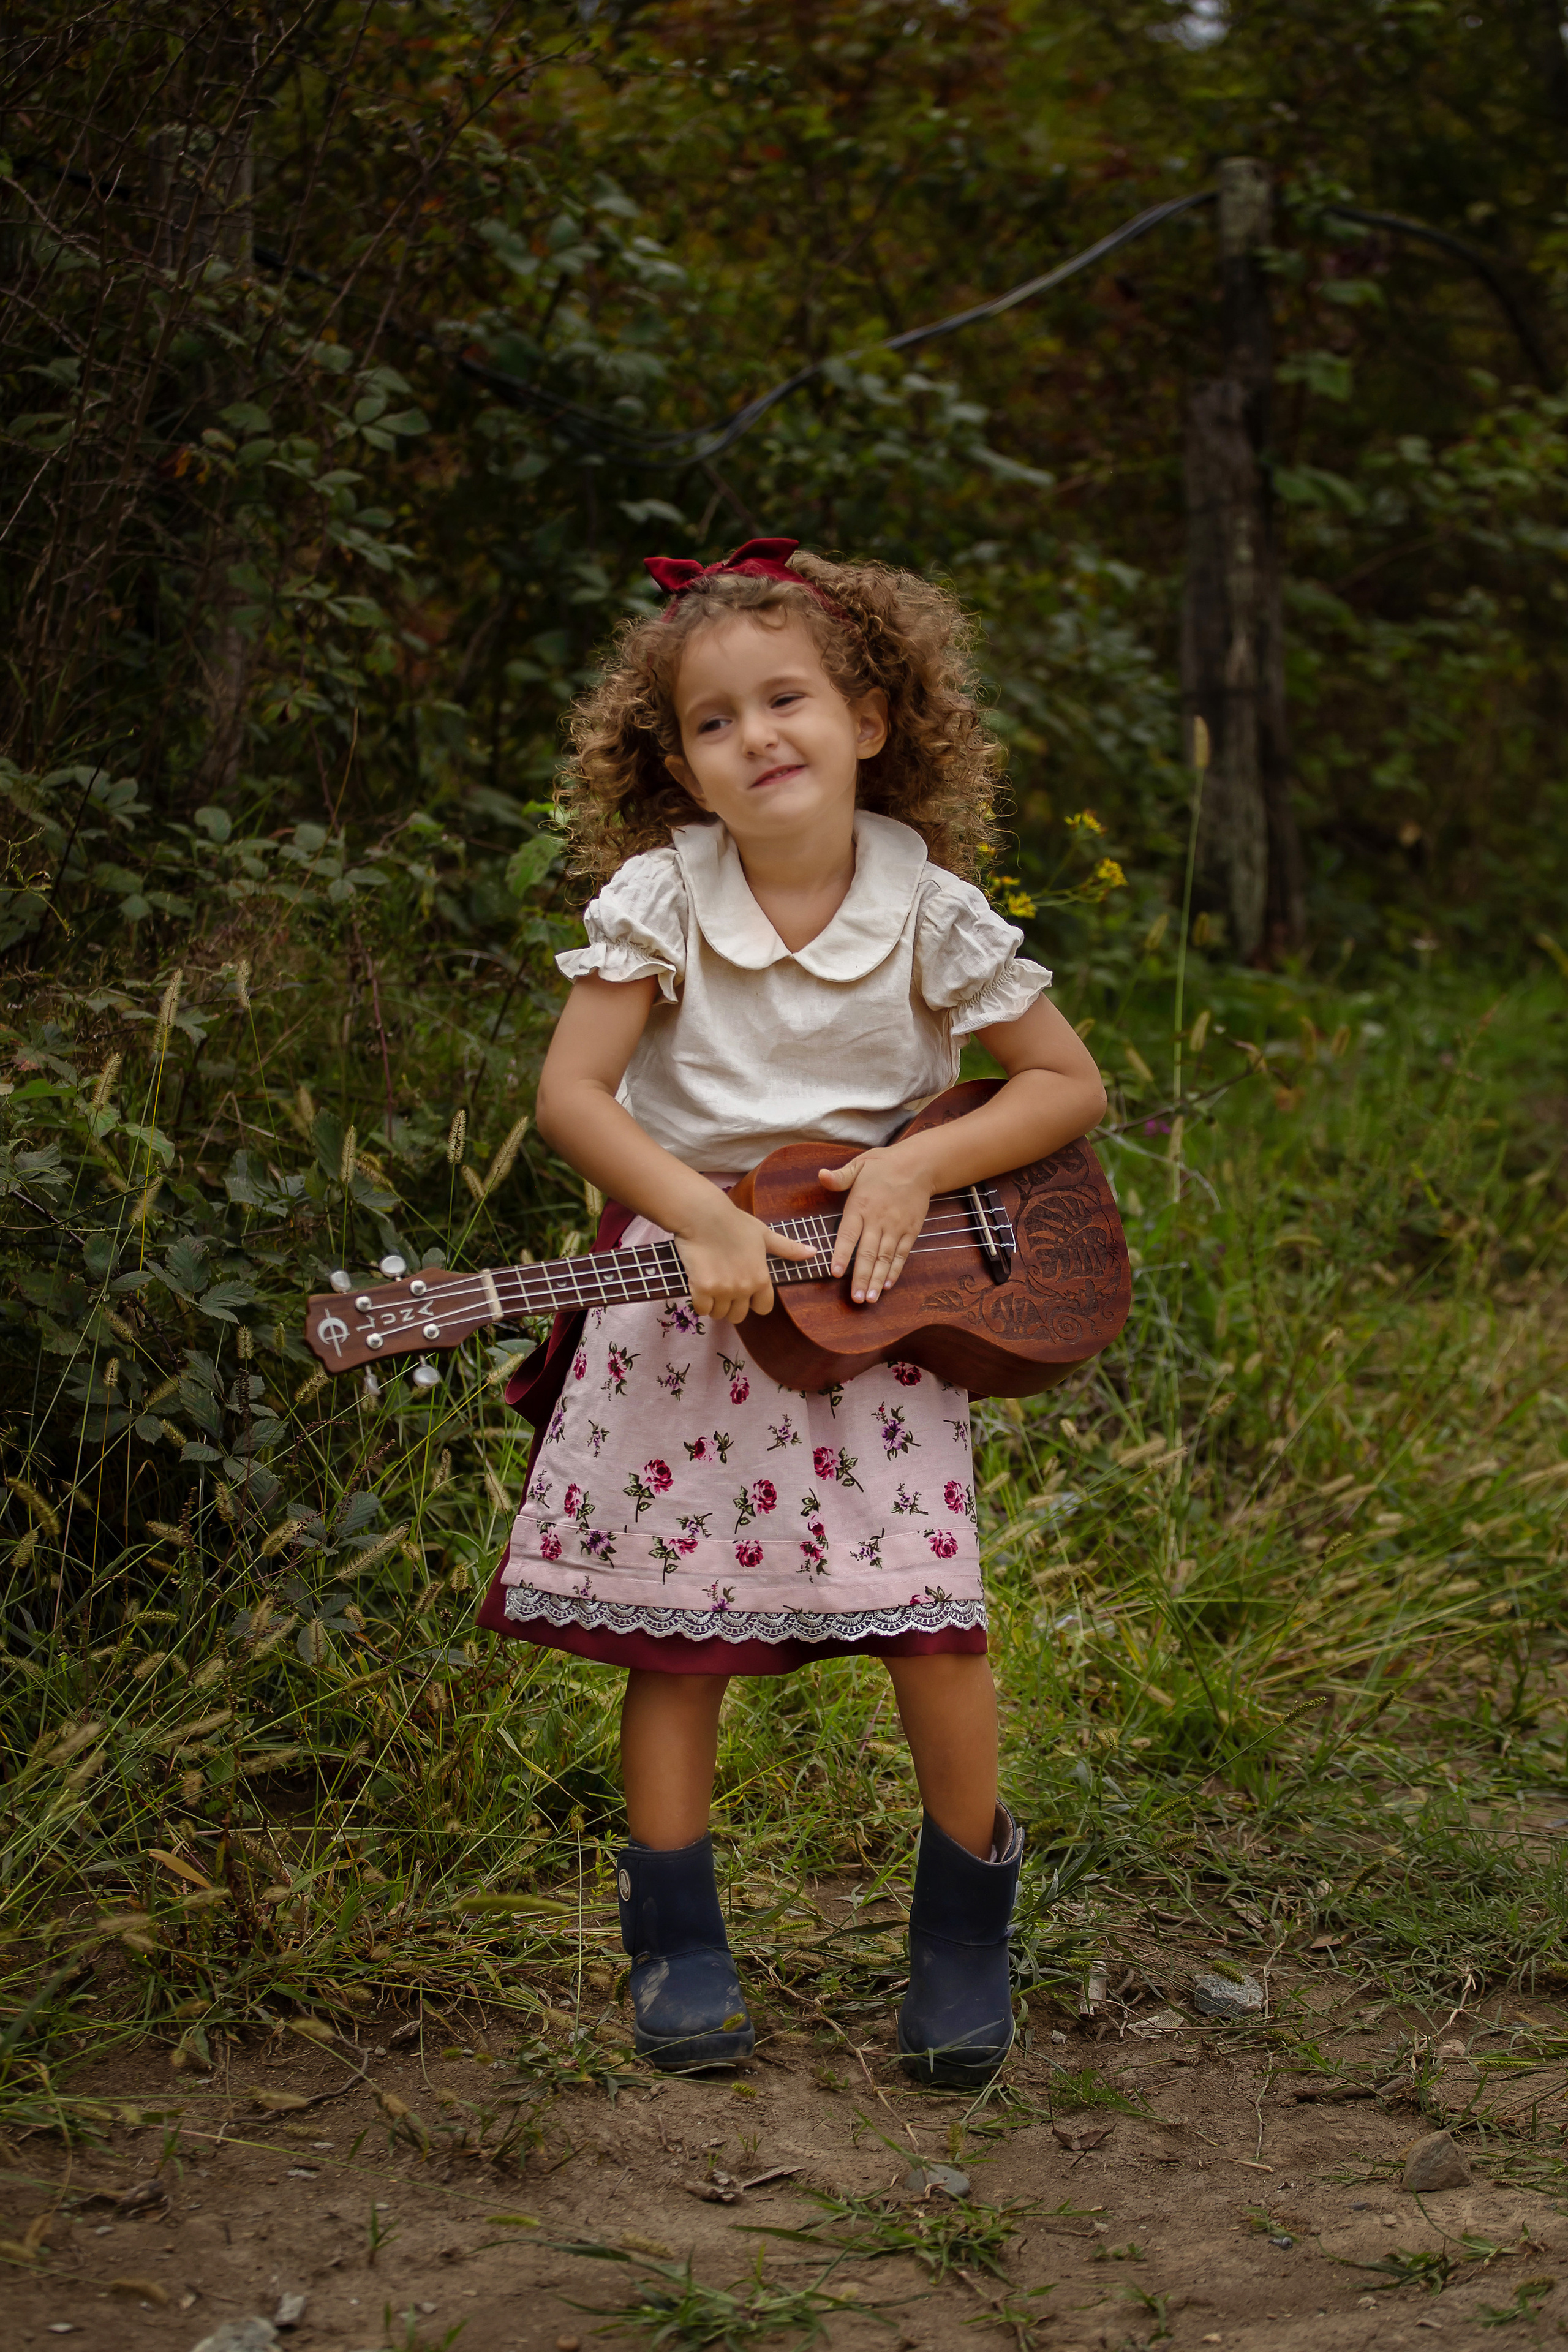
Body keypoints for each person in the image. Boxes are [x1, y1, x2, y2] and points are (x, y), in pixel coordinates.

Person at [478, 538, 1106, 2084]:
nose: (755, 735)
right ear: (675, 767)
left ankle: (964, 1931)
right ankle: (676, 1941)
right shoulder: (660, 898)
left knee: (930, 1631)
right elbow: (569, 1093)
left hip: (879, 1318)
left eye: (787, 699)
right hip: (682, 1300)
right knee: (673, 1640)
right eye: (710, 720)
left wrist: (915, 1169)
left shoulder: (925, 904)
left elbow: (1066, 1083)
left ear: (870, 721)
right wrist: (692, 1211)